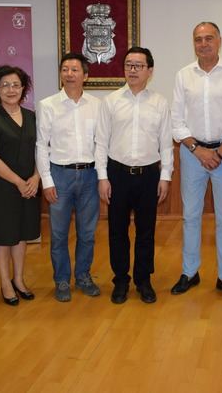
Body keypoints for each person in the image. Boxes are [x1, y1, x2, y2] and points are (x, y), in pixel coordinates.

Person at [170, 21, 222, 300]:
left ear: (219, 41)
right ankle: (190, 272)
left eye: (209, 38)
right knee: (190, 216)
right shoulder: (183, 75)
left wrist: (221, 150)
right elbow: (176, 120)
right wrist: (197, 149)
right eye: (198, 39)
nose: (203, 43)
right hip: (192, 155)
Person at [96, 47, 173, 304]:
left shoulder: (160, 103)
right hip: (117, 174)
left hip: (149, 175)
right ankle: (120, 280)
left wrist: (166, 177)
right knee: (117, 231)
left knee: (146, 232)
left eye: (139, 65)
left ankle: (143, 280)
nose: (133, 70)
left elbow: (166, 144)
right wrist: (102, 177)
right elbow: (101, 143)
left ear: (150, 71)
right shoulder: (111, 101)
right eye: (129, 64)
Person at [36, 53, 101, 302]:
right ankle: (61, 279)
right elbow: (42, 145)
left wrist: (103, 176)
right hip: (60, 175)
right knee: (59, 234)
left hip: (90, 176)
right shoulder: (48, 105)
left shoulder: (97, 105)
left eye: (75, 70)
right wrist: (47, 180)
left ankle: (83, 275)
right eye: (65, 69)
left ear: (85, 75)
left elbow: (101, 143)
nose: (69, 74)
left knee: (87, 233)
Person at [0, 65, 40, 306]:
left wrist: (36, 178)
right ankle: (5, 283)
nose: (11, 89)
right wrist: (18, 182)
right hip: (2, 187)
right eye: (5, 85)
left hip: (29, 185)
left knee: (22, 233)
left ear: (23, 88)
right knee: (4, 236)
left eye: (16, 84)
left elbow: (41, 149)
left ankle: (19, 279)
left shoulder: (32, 116)